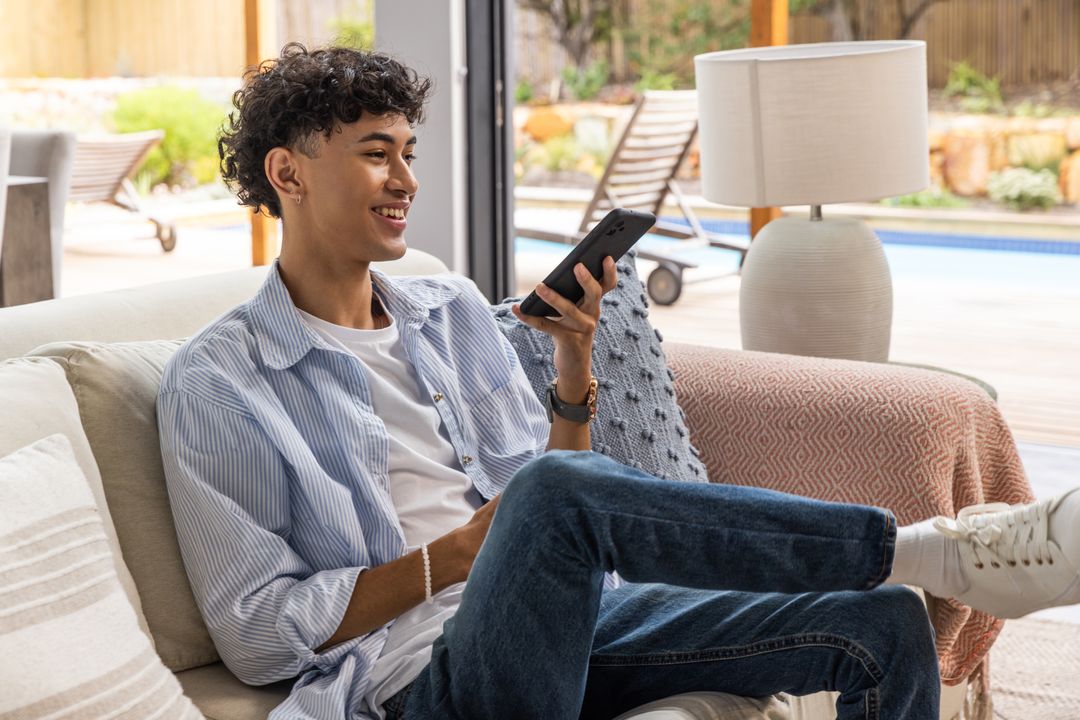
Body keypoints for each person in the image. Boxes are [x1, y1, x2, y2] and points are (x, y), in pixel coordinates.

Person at [157, 43, 1080, 720]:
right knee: (549, 499)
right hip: (420, 679)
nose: (405, 178)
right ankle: (932, 548)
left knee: (882, 625)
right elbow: (255, 628)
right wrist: (465, 553)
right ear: (288, 174)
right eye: (374, 152)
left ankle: (907, 568)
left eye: (407, 151)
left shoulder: (447, 311)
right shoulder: (221, 383)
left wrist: (573, 366)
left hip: (575, 617)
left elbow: (559, 499)